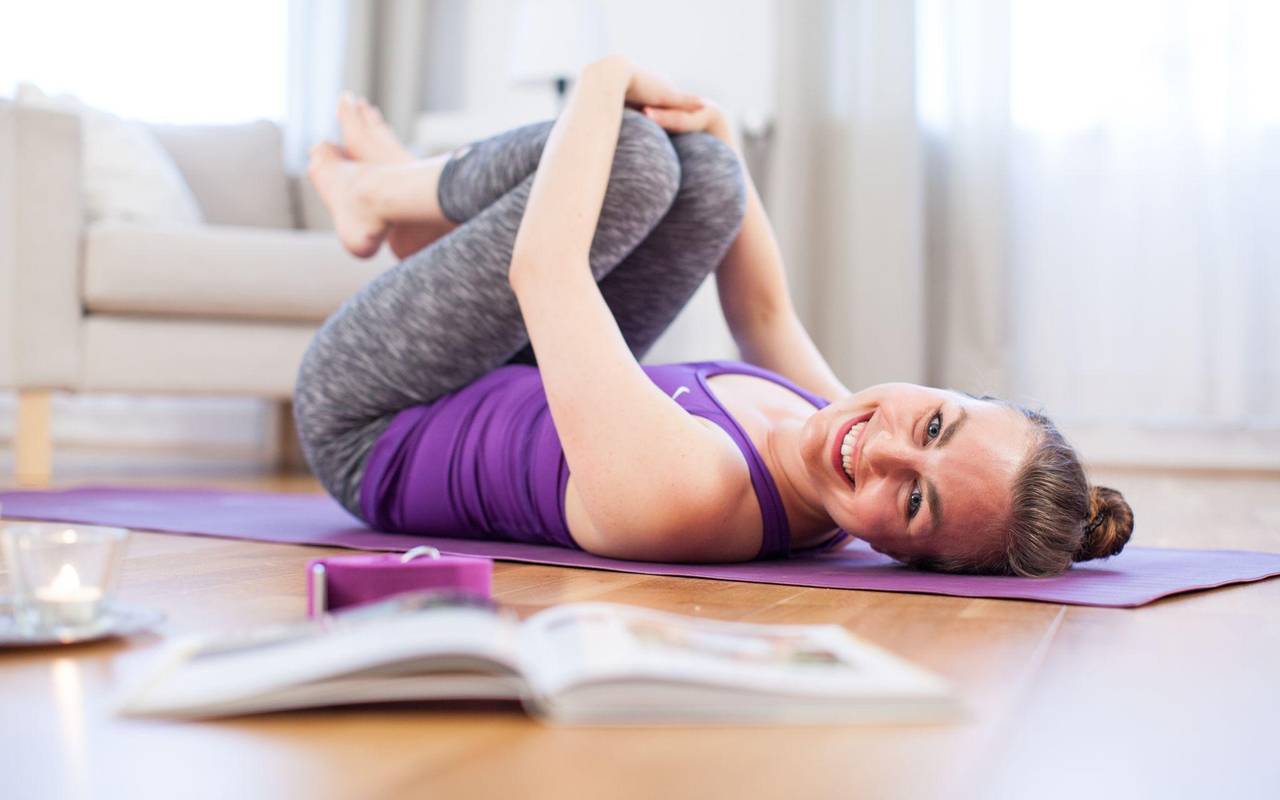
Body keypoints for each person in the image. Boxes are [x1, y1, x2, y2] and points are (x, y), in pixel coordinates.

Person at [294, 56, 1134, 578]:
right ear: (947, 390)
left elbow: (542, 272)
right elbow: (764, 312)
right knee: (704, 176)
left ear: (901, 556)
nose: (880, 449)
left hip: (372, 419)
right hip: (494, 374)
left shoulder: (689, 500)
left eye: (914, 502)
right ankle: (404, 209)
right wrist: (721, 133)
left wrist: (603, 79)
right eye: (938, 424)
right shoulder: (836, 432)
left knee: (629, 156)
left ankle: (379, 193)